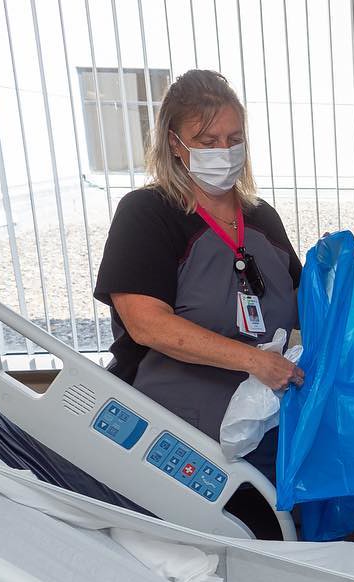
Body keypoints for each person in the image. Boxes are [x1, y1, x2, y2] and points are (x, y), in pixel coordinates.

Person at [94, 69, 303, 483]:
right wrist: (253, 361)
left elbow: (302, 308)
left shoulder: (262, 219)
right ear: (176, 143)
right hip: (178, 433)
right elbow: (147, 324)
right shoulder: (148, 213)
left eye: (234, 140)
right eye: (208, 142)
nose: (224, 151)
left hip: (265, 417)